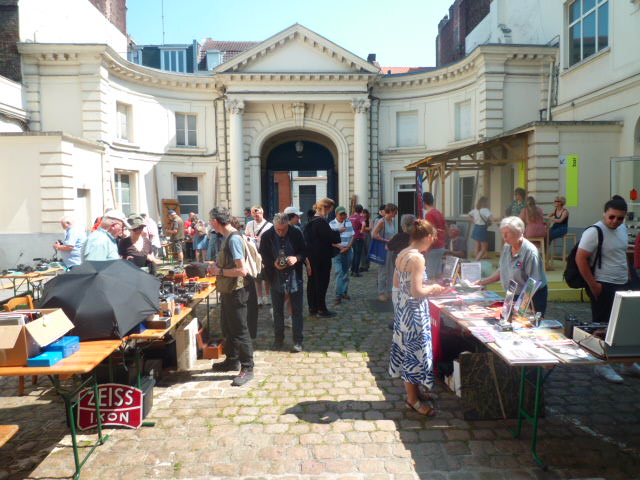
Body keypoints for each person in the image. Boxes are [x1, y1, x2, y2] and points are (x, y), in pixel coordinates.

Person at [576, 196, 640, 383]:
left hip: (623, 283)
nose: (615, 221)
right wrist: (594, 284)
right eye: (612, 217)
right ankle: (601, 365)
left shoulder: (622, 229)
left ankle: (627, 364)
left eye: (620, 218)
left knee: (625, 325)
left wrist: (628, 274)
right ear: (604, 213)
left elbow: (621, 254)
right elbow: (581, 259)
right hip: (603, 284)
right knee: (601, 326)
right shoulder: (594, 232)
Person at [389, 219, 446, 416]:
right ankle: (412, 400)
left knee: (408, 353)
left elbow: (397, 282)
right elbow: (417, 291)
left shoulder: (402, 253)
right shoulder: (418, 258)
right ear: (429, 237)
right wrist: (434, 287)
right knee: (413, 355)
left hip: (404, 310)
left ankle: (415, 393)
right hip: (414, 312)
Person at [207, 206, 254, 387]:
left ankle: (248, 367)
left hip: (237, 292)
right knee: (228, 328)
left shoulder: (233, 239)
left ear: (215, 222)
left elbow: (242, 270)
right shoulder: (229, 236)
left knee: (240, 331)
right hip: (228, 291)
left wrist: (219, 271)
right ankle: (232, 359)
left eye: (211, 220)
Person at [475, 216, 548, 315]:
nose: (504, 237)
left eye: (507, 233)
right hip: (513, 294)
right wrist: (482, 282)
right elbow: (502, 271)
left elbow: (533, 282)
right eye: (502, 233)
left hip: (532, 296)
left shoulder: (530, 252)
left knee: (526, 324)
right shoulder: (507, 246)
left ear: (518, 233)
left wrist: (520, 306)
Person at [259, 213, 307, 352]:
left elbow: (305, 251)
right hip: (275, 277)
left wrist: (297, 258)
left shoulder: (296, 232)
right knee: (278, 311)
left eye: (283, 229)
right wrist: (273, 264)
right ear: (274, 226)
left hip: (294, 276)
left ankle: (298, 341)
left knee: (297, 311)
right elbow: (263, 256)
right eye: (278, 230)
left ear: (288, 225)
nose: (280, 232)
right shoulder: (267, 236)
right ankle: (278, 340)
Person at [303, 198, 341, 318]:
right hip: (321, 257)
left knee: (312, 282)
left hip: (312, 256)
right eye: (330, 209)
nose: (330, 211)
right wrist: (337, 232)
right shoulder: (320, 221)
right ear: (326, 208)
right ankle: (321, 308)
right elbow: (330, 238)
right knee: (322, 282)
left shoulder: (311, 220)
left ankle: (312, 307)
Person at [245, 206, 273, 305]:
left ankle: (268, 296)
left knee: (267, 277)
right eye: (254, 215)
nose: (256, 216)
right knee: (257, 277)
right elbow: (246, 236)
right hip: (254, 253)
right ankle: (259, 297)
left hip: (266, 254)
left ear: (262, 213)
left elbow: (272, 240)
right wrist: (251, 238)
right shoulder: (249, 224)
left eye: (258, 214)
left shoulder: (269, 225)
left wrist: (261, 239)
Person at [387, 214, 415, 309]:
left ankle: (400, 310)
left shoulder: (399, 236)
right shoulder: (416, 237)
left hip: (399, 266)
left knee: (398, 288)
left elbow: (388, 247)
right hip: (412, 267)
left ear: (403, 226)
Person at [329, 206, 355, 304]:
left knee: (346, 272)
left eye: (344, 214)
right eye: (341, 214)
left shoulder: (348, 222)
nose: (343, 216)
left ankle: (344, 291)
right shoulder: (331, 224)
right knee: (339, 272)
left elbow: (353, 235)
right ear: (336, 214)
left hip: (348, 250)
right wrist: (340, 247)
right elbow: (329, 240)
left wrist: (348, 247)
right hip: (337, 252)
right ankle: (338, 294)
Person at [372, 203, 398, 302]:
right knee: (383, 272)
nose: (396, 214)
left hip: (391, 249)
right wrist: (386, 241)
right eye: (395, 212)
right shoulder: (381, 221)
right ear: (390, 211)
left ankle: (390, 291)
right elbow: (373, 234)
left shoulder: (391, 221)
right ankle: (381, 292)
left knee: (391, 271)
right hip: (383, 249)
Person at [422, 192, 447, 279]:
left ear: (424, 202)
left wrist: (426, 248)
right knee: (438, 274)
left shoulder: (429, 214)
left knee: (431, 275)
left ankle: (433, 292)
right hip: (441, 246)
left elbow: (430, 233)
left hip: (433, 247)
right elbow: (445, 228)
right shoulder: (438, 212)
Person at [468, 196, 493, 261]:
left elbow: (469, 214)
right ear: (485, 203)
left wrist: (473, 220)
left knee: (477, 245)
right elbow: (491, 219)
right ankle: (476, 260)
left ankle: (478, 258)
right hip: (482, 228)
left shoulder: (476, 210)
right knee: (483, 248)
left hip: (476, 227)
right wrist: (500, 219)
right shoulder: (486, 210)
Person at [349, 204, 365, 277]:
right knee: (358, 255)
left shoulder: (350, 217)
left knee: (354, 254)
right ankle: (356, 271)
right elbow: (364, 224)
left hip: (352, 238)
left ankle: (352, 270)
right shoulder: (361, 217)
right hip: (359, 237)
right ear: (361, 210)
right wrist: (362, 230)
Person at [360, 208, 372, 272]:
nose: (363, 214)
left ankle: (367, 265)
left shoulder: (369, 220)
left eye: (365, 213)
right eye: (362, 213)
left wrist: (363, 228)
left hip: (367, 236)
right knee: (362, 251)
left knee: (367, 250)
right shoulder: (360, 219)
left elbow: (370, 228)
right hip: (361, 235)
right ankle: (362, 266)